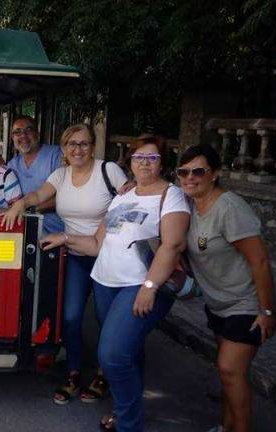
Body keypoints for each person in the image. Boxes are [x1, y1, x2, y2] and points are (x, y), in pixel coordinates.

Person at [52, 135, 189, 430]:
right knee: (129, 350)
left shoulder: (171, 195)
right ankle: (128, 412)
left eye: (151, 158)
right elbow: (97, 244)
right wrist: (64, 238)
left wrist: (149, 287)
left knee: (112, 354)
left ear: (162, 163)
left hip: (137, 285)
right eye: (139, 157)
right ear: (130, 161)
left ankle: (128, 423)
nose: (144, 163)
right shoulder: (122, 197)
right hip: (105, 282)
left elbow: (172, 246)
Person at [2, 124, 128, 405]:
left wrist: (108, 227)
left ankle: (104, 373)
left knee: (105, 318)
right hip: (74, 254)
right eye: (72, 144)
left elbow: (129, 201)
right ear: (64, 149)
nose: (78, 149)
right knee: (70, 317)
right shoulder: (60, 174)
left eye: (83, 144)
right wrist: (18, 205)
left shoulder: (108, 170)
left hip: (108, 255)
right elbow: (37, 196)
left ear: (93, 146)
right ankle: (73, 372)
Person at [177, 145, 276, 432]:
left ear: (215, 174)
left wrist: (266, 310)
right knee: (231, 375)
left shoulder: (229, 207)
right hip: (219, 304)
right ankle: (227, 426)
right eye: (183, 172)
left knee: (229, 369)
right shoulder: (190, 207)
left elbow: (259, 260)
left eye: (199, 171)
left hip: (249, 302)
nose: (190, 178)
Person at [6, 115, 65, 234]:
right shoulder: (12, 165)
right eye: (17, 132)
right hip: (23, 231)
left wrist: (29, 208)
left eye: (28, 130)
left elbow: (65, 197)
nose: (23, 135)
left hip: (56, 231)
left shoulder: (55, 155)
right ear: (12, 137)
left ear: (37, 134)